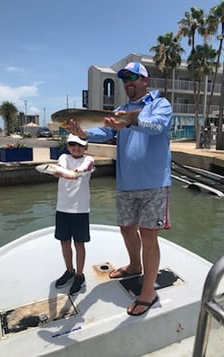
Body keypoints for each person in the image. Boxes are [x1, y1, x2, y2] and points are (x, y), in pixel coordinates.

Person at [69, 62, 173, 315]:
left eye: (133, 77)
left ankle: (148, 290)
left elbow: (156, 126)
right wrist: (83, 134)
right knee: (127, 229)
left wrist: (128, 122)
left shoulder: (160, 104)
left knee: (149, 236)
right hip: (126, 183)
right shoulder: (119, 110)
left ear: (145, 81)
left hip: (154, 184)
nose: (128, 82)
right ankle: (135, 266)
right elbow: (104, 132)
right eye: (124, 78)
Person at [54, 133, 94, 295]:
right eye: (72, 144)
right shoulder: (64, 157)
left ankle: (79, 275)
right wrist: (62, 172)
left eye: (80, 145)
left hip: (80, 210)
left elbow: (84, 169)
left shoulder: (89, 160)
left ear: (86, 147)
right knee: (64, 242)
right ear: (68, 146)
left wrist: (72, 173)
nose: (76, 148)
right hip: (62, 208)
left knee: (79, 244)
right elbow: (60, 165)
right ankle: (69, 270)